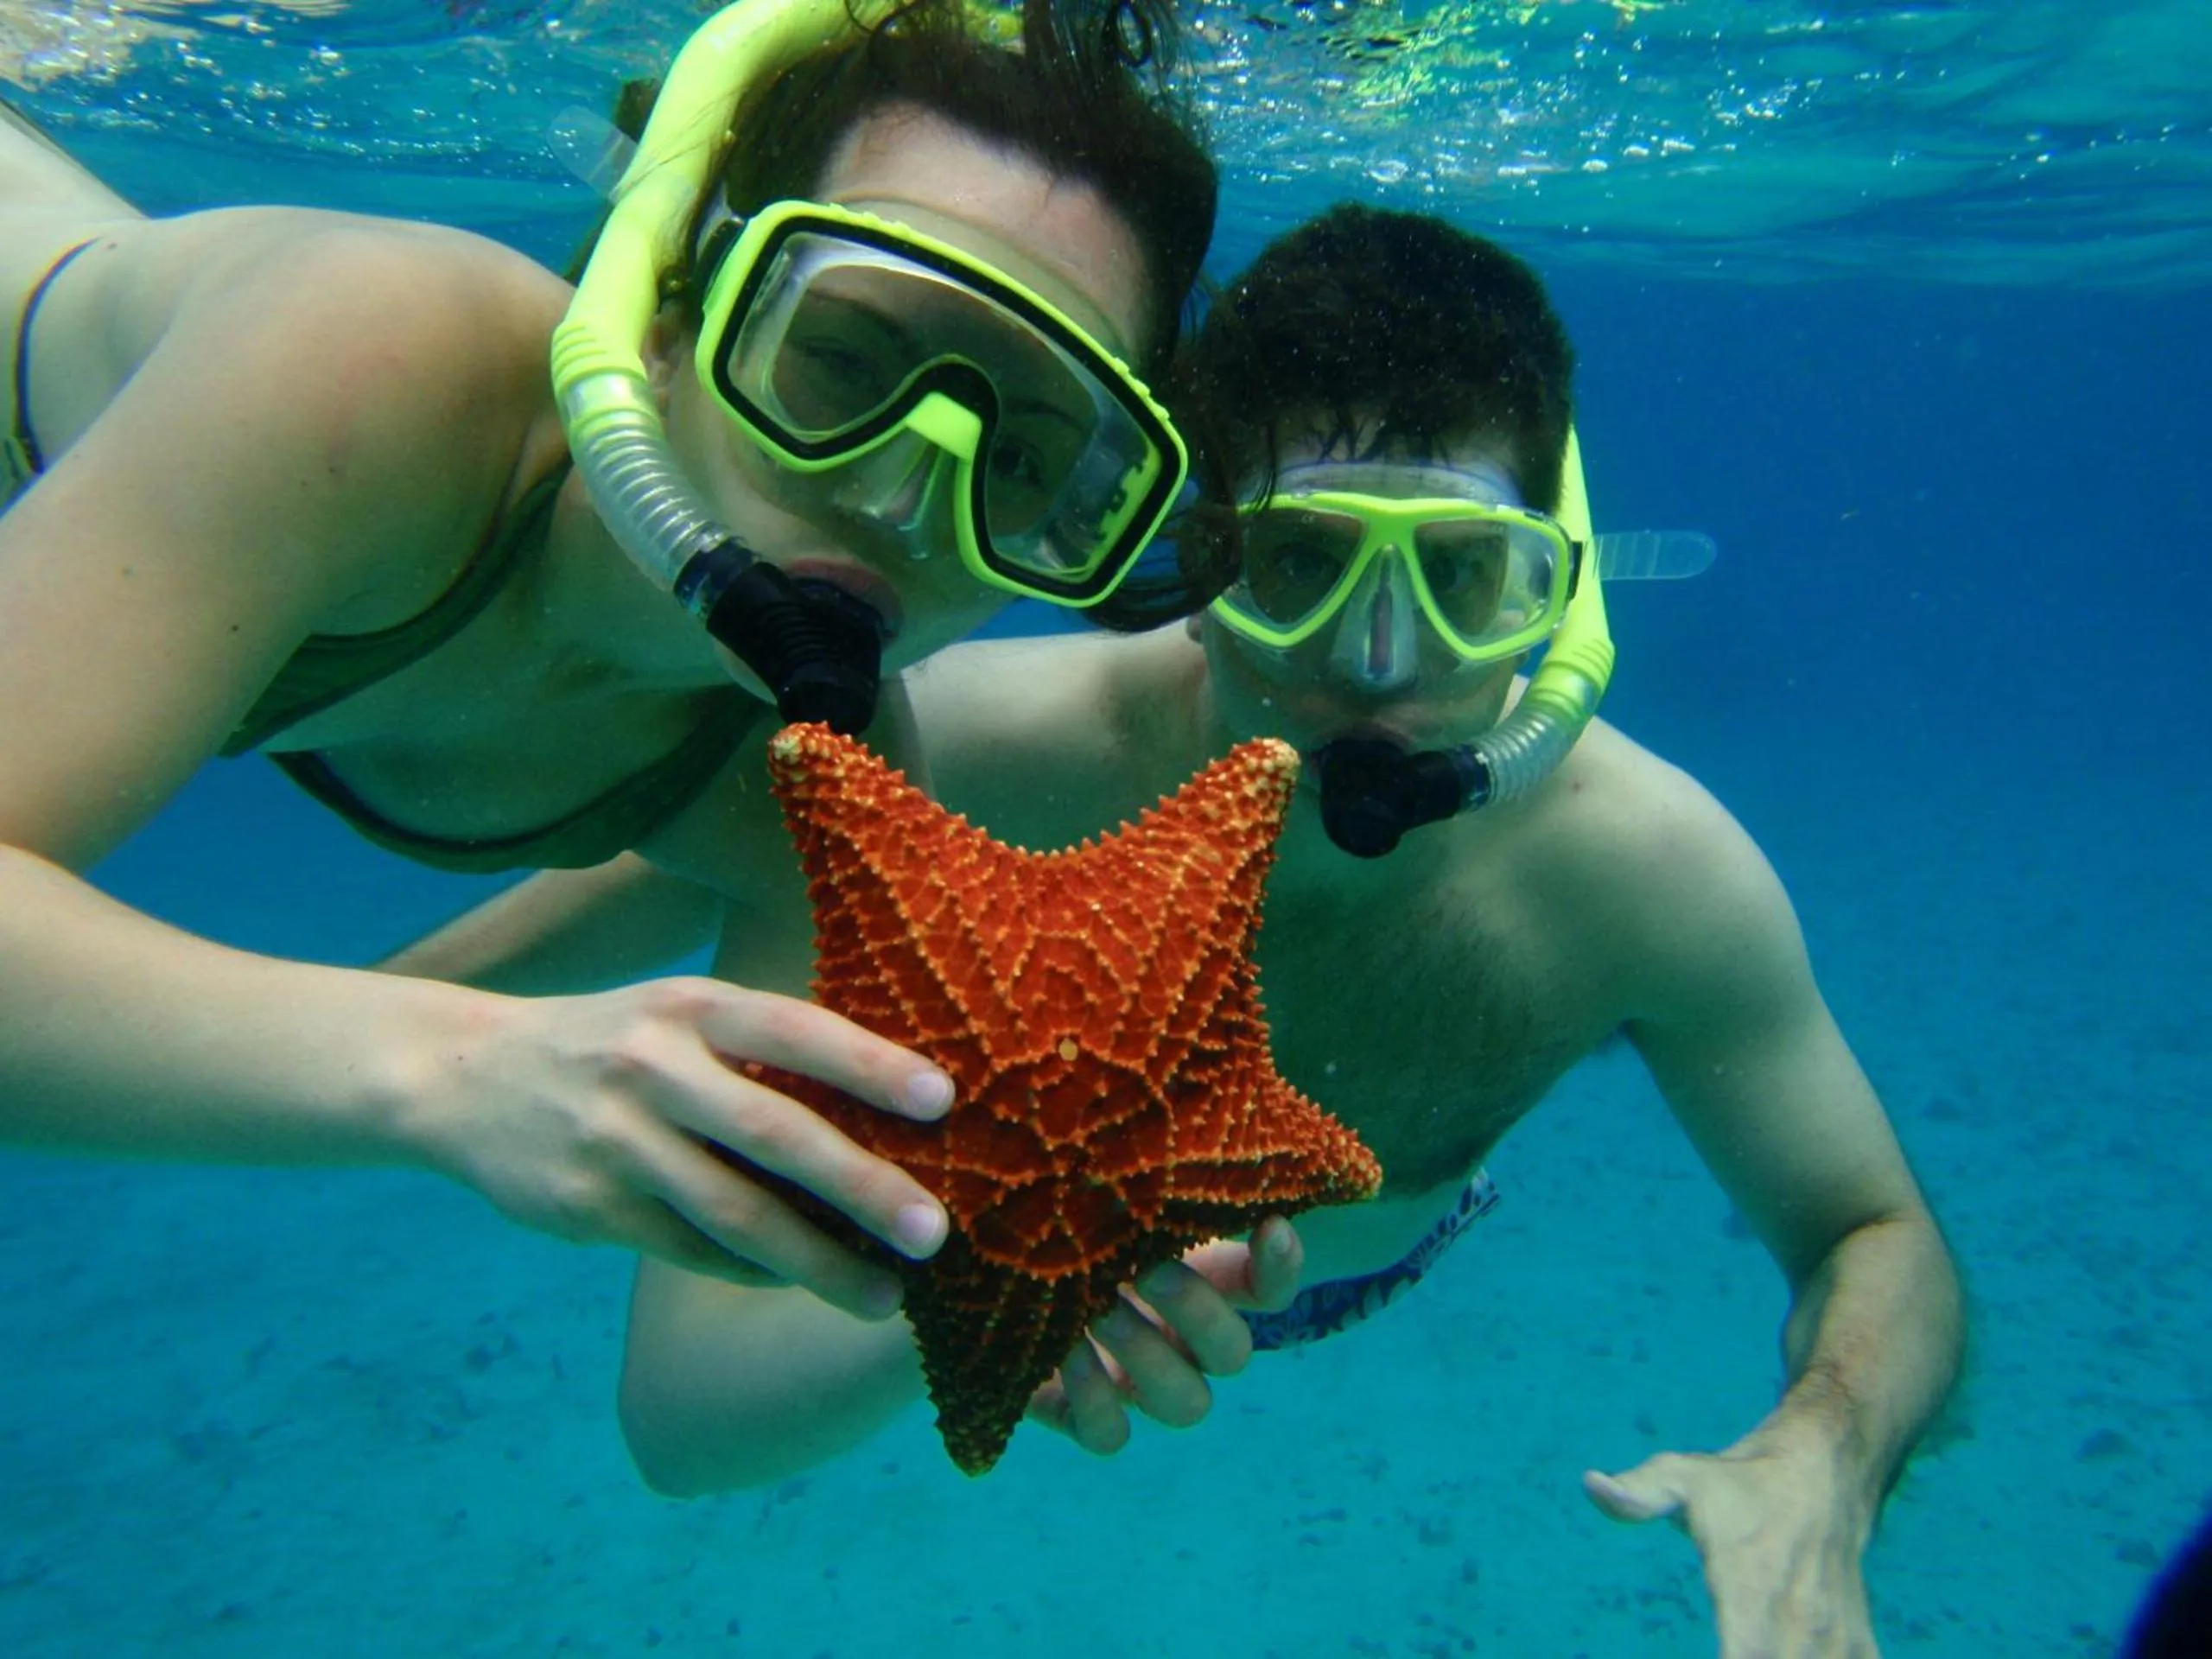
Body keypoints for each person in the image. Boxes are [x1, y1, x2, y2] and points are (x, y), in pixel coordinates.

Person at [599, 204, 1965, 1656]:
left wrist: (1831, 1450)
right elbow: (681, 1416)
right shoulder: (947, 764)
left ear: (1548, 600)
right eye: (1303, 562)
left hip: (1381, 1269)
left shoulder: (1646, 872)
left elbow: (1882, 1238)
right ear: (1198, 571)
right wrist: (996, 1271)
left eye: (1461, 574)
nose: (1380, 668)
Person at [0, 0, 1223, 1323]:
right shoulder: (374, 358)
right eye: (841, 357)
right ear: (661, 307)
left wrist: (1009, 1273)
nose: (901, 495)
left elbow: (693, 1390)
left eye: (1026, 461)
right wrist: (459, 1069)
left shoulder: (817, 778)